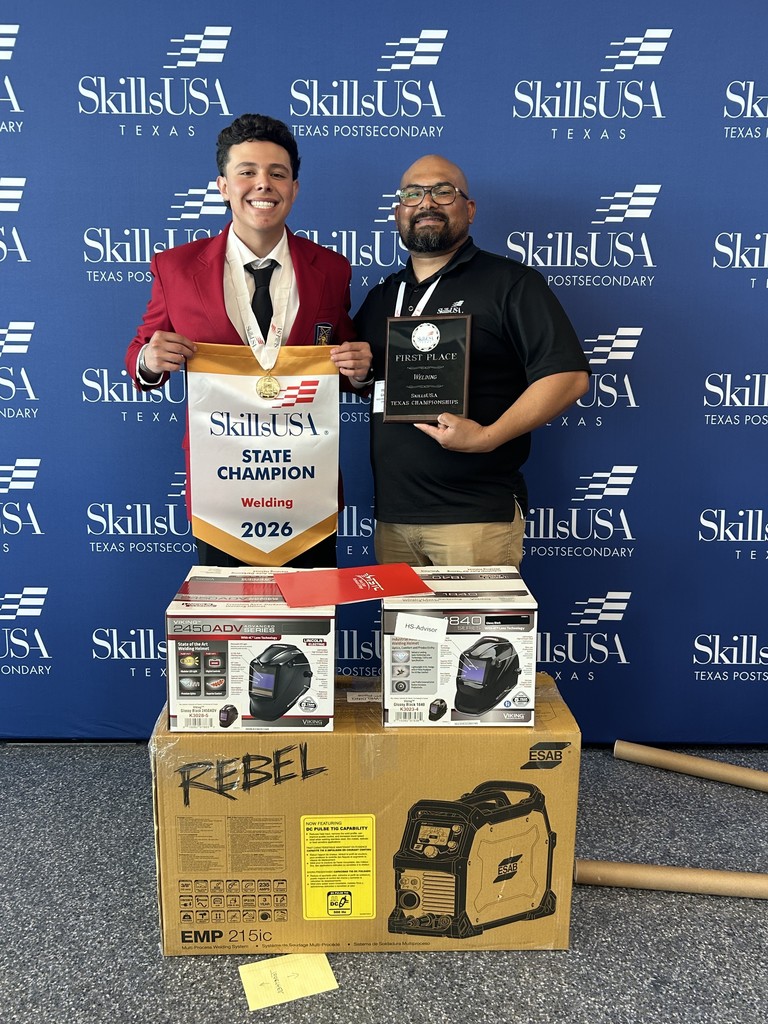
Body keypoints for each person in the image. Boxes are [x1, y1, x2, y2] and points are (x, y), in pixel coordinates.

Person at [125, 113, 371, 567]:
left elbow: (347, 359)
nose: (263, 184)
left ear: (294, 188)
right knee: (231, 627)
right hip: (222, 484)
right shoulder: (175, 268)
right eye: (247, 172)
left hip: (306, 487)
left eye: (278, 174)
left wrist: (361, 370)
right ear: (222, 185)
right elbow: (140, 352)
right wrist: (148, 359)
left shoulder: (331, 269)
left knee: (310, 629)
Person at [353, 154, 590, 568]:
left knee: (477, 637)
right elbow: (362, 379)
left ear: (470, 208)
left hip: (474, 518)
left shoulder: (511, 283)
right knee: (405, 637)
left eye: (443, 191)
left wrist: (487, 436)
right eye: (413, 193)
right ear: (397, 213)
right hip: (393, 521)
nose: (427, 202)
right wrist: (356, 375)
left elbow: (568, 377)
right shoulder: (382, 297)